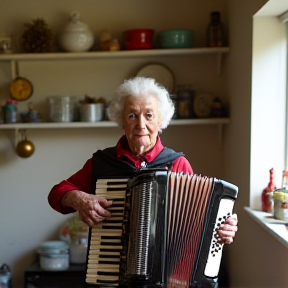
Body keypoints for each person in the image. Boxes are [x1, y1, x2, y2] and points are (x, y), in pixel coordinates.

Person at [48, 77, 238, 245]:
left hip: (165, 273)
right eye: (132, 116)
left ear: (160, 120)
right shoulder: (102, 163)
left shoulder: (177, 164)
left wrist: (222, 227)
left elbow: (200, 218)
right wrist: (78, 198)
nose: (141, 125)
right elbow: (56, 193)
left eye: (149, 115)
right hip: (109, 268)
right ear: (122, 120)